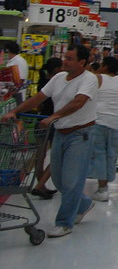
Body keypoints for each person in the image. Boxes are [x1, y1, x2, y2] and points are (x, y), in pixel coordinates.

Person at [2, 45, 98, 238]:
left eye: (70, 58)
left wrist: (54, 116)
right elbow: (39, 97)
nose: (65, 60)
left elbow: (78, 103)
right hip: (60, 133)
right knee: (59, 180)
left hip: (81, 134)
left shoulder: (89, 79)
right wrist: (15, 111)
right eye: (65, 57)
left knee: (71, 181)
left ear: (82, 63)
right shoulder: (58, 78)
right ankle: (84, 203)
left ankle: (64, 223)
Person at [89, 57, 118, 202]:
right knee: (111, 154)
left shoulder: (97, 79)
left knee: (99, 154)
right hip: (116, 122)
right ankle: (106, 184)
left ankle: (102, 188)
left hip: (99, 120)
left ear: (105, 66)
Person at [28, 57, 63, 199]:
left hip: (41, 120)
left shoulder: (42, 81)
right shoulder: (58, 83)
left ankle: (41, 184)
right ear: (56, 69)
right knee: (57, 155)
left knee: (40, 156)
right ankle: (41, 184)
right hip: (54, 121)